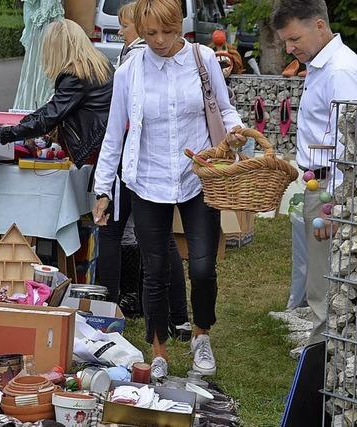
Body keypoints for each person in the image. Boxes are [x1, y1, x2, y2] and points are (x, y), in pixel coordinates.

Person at [93, 0, 245, 379]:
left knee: (203, 267)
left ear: (180, 26)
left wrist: (236, 131)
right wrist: (103, 189)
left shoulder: (203, 59)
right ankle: (158, 349)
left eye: (168, 32)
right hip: (147, 180)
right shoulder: (130, 71)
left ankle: (201, 335)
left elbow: (224, 110)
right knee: (156, 268)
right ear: (140, 31)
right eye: (150, 34)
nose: (160, 41)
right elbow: (114, 134)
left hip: (198, 177)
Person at [104, 1, 190, 340]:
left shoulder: (138, 59)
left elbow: (125, 121)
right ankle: (178, 318)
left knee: (124, 234)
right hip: (142, 160)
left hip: (139, 161)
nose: (122, 32)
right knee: (162, 240)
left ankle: (111, 309)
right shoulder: (139, 57)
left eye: (125, 26)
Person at [272, 0, 357, 345]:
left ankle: (323, 357)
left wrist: (334, 204)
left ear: (319, 26)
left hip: (329, 187)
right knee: (320, 275)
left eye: (294, 39)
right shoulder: (322, 64)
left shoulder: (340, 71)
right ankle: (322, 348)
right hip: (317, 181)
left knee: (326, 280)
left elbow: (349, 144)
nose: (290, 49)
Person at [0, 19, 113, 169]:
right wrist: (14, 127)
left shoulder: (76, 75)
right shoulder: (100, 66)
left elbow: (48, 117)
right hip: (100, 143)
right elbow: (50, 111)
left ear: (55, 48)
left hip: (87, 148)